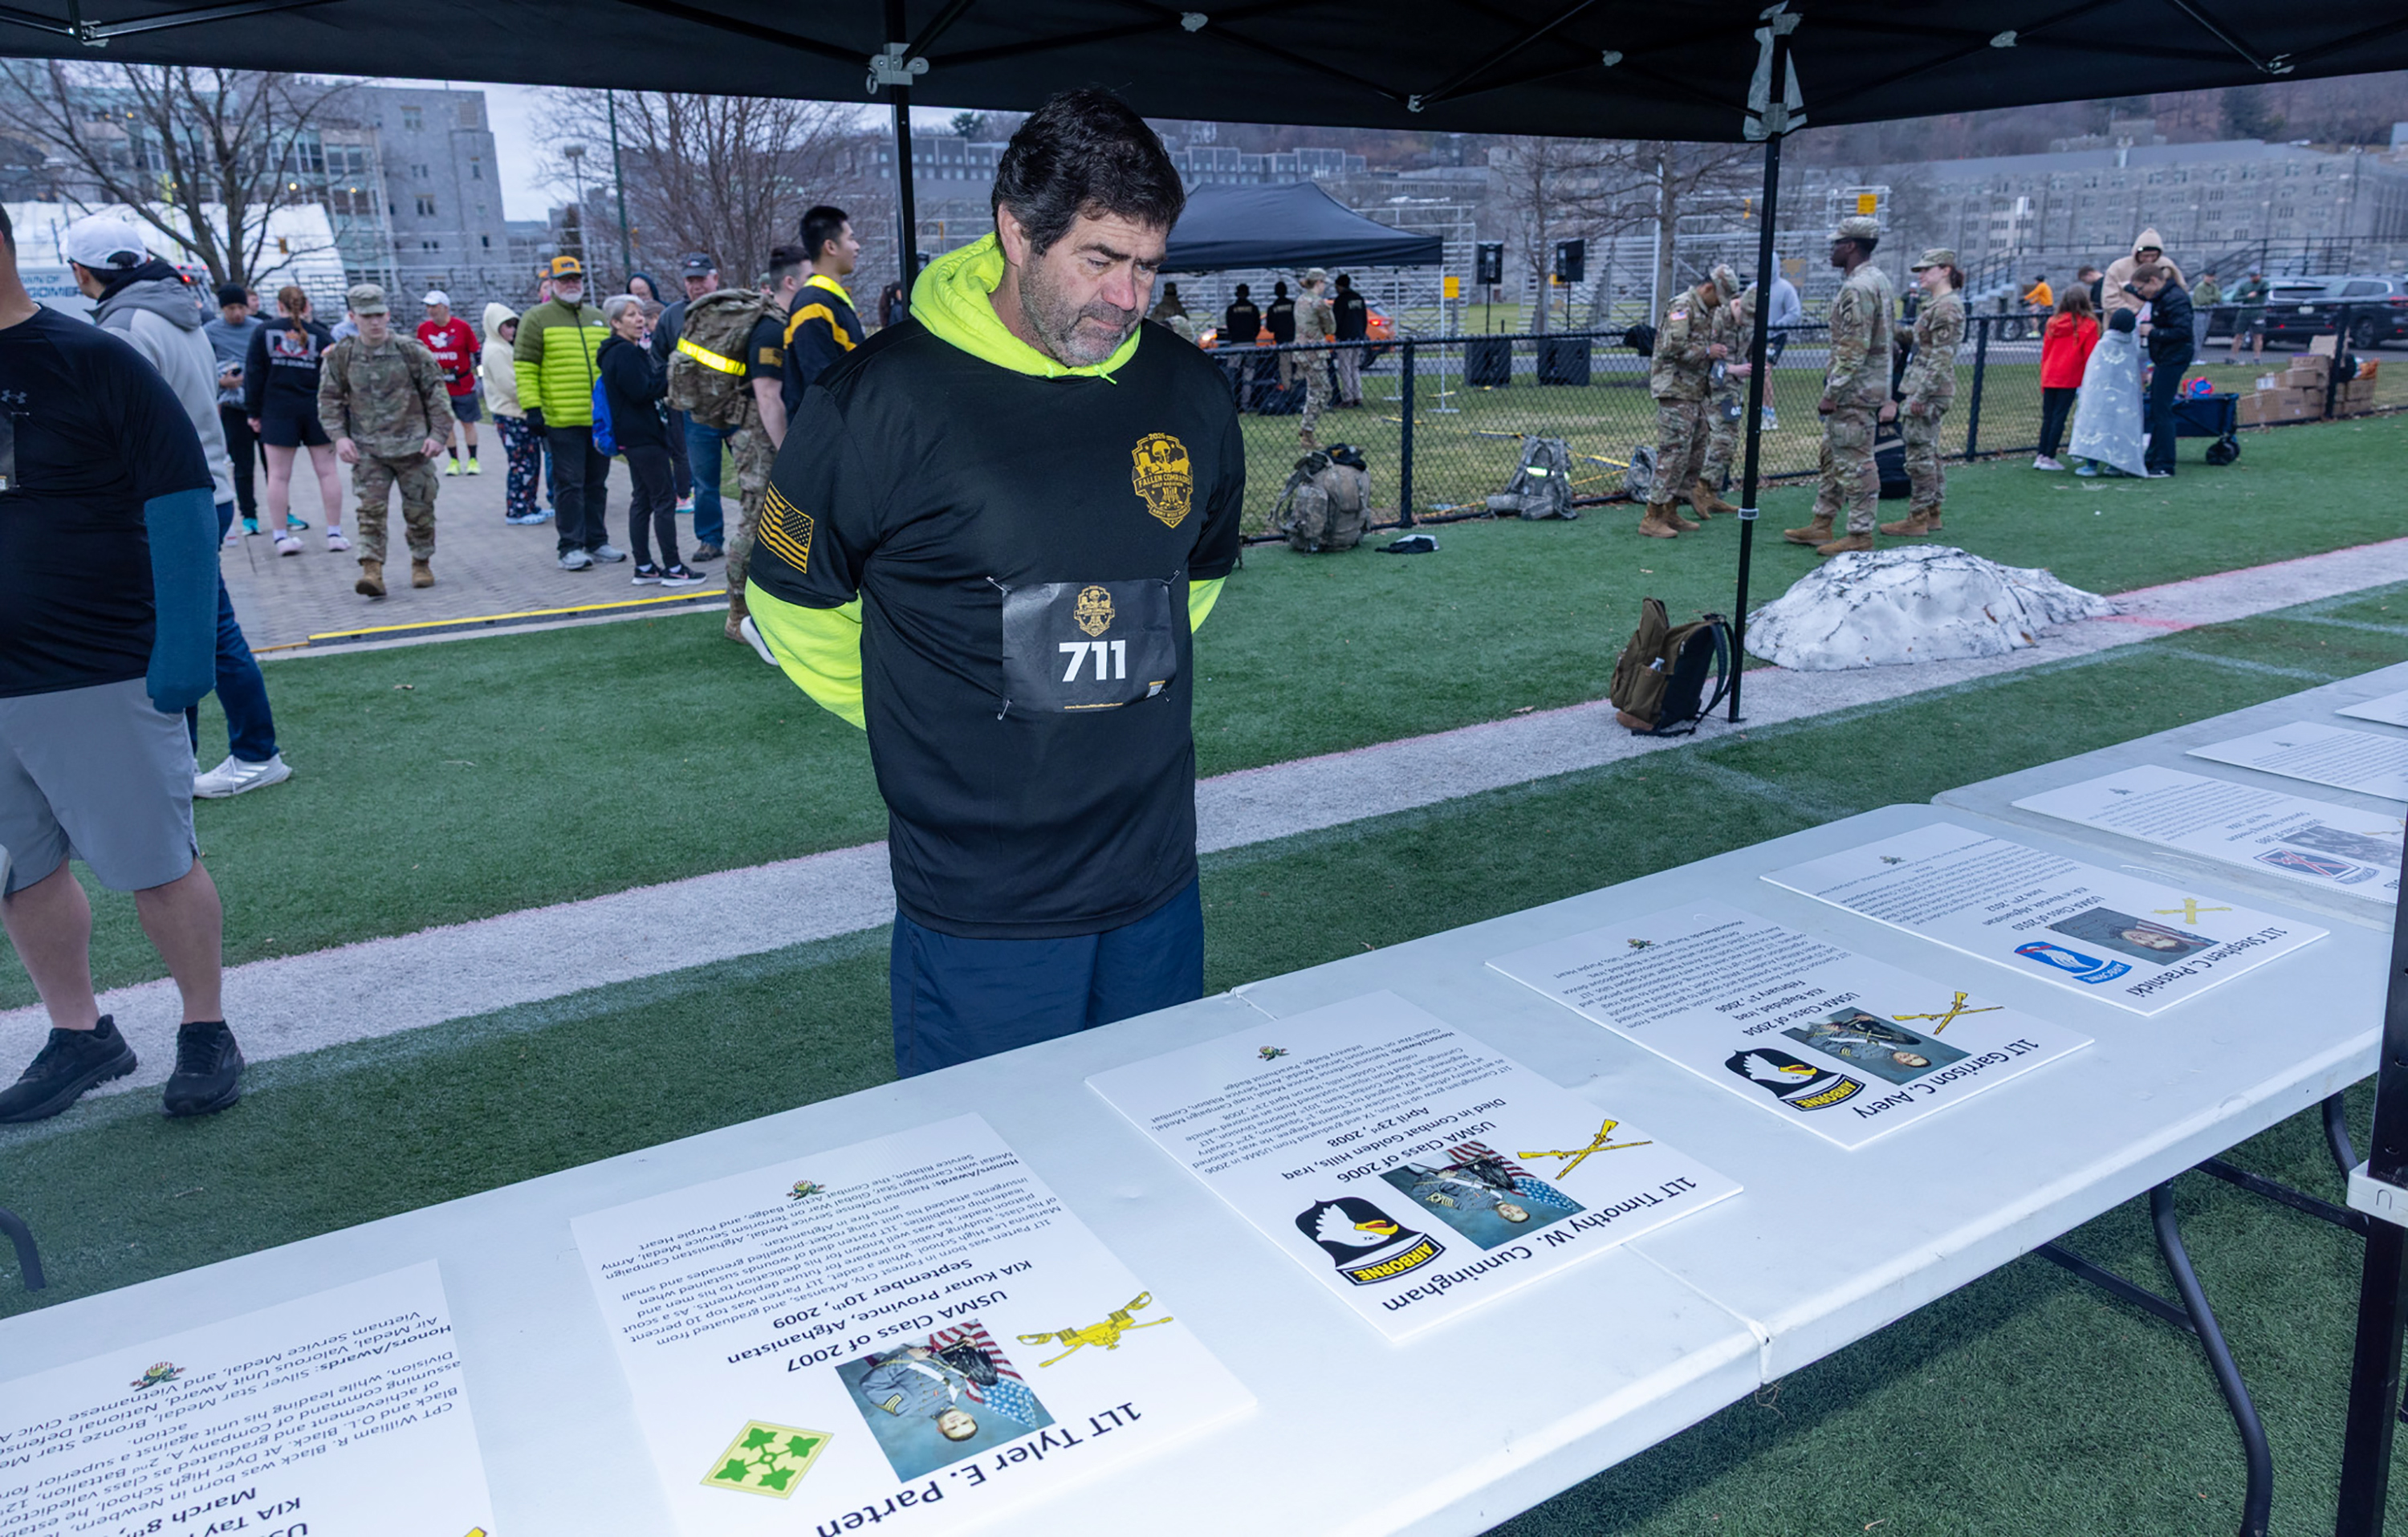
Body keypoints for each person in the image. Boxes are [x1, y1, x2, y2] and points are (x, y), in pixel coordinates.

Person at [745, 87, 1242, 1077]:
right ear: (1017, 232)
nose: (1128, 297)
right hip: (984, 901)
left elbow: (1194, 580)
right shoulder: (879, 399)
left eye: (1148, 265)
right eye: (1099, 259)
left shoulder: (1187, 390)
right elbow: (790, 602)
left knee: (1158, 1142)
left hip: (1155, 876)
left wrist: (1095, 705)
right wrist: (932, 721)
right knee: (998, 1172)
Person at [0, 202, 245, 1123]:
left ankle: (205, 1024)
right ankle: (80, 1032)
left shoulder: (93, 357)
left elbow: (181, 499)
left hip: (96, 663)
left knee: (154, 861)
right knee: (17, 872)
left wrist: (181, 654)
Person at [64, 215, 290, 803]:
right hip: (199, 490)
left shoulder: (125, 327)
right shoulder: (176, 310)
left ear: (82, 272)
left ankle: (253, 751)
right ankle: (202, 757)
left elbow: (116, 430)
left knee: (201, 634)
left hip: (167, 500)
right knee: (190, 631)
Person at [317, 283, 449, 597]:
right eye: (366, 316)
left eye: (379, 315)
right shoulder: (343, 356)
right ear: (353, 317)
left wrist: (438, 434)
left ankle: (421, 562)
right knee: (370, 513)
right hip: (368, 451)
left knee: (420, 511)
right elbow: (329, 400)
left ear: (388, 315)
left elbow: (437, 394)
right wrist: (340, 438)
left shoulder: (410, 351)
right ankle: (371, 570)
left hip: (414, 448)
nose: (374, 322)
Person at [1784, 215, 1893, 557]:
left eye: (1836, 244)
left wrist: (1832, 392)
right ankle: (1822, 523)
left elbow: (1853, 347)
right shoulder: (1878, 280)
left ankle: (1860, 533)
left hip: (1853, 393)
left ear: (1851, 247)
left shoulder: (1857, 288)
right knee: (1832, 457)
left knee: (1856, 462)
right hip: (1863, 388)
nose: (1831, 250)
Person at [721, 242, 811, 647]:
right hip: (761, 444)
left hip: (768, 441)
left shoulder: (784, 321)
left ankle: (770, 608)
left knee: (780, 524)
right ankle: (739, 615)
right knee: (756, 523)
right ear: (790, 282)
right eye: (810, 278)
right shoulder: (772, 327)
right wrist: (788, 452)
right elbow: (768, 395)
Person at [515, 255, 621, 571]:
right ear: (553, 283)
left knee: (596, 483)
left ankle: (597, 541)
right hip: (561, 418)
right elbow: (524, 367)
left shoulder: (598, 317)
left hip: (598, 420)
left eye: (575, 279)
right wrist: (532, 408)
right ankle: (570, 546)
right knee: (569, 485)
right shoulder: (536, 318)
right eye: (564, 280)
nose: (571, 284)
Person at [596, 293, 700, 588]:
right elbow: (640, 390)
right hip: (642, 437)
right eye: (631, 315)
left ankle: (644, 566)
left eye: (640, 314)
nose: (640, 319)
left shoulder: (624, 350)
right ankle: (674, 566)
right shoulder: (624, 352)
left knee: (643, 499)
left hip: (636, 436)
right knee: (663, 499)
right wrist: (670, 375)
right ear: (616, 323)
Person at [242, 287, 343, 555]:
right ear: (307, 306)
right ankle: (334, 534)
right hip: (316, 410)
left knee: (277, 476)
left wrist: (253, 412)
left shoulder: (263, 332)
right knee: (328, 471)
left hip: (277, 410)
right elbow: (336, 376)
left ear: (279, 306)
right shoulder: (322, 335)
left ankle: (280, 537)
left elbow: (253, 373)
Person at [1879, 249, 1966, 539]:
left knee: (1918, 456)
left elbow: (1941, 357)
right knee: (1927, 452)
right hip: (1924, 387)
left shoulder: (1946, 307)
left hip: (1927, 391)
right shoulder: (1939, 305)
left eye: (1927, 269)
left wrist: (1921, 395)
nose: (1921, 275)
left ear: (1945, 270)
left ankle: (1917, 517)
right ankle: (1931, 512)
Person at [1640, 270, 1729, 539]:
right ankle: (1652, 516)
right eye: (1720, 297)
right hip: (1675, 390)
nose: (1721, 304)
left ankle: (1671, 509)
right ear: (1709, 288)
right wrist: (1706, 352)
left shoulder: (1705, 310)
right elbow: (1671, 347)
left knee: (1696, 450)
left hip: (1693, 391)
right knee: (1674, 452)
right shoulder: (1682, 306)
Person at [660, 252, 725, 555]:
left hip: (739, 409)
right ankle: (710, 539)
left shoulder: (736, 309)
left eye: (701, 279)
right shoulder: (672, 316)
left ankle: (762, 540)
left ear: (715, 278)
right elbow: (658, 360)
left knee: (757, 477)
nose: (696, 286)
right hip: (697, 414)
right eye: (690, 280)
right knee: (704, 481)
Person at [783, 205, 864, 418]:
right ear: (830, 246)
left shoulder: (833, 300)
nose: (857, 247)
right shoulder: (813, 305)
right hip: (830, 439)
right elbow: (822, 386)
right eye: (851, 239)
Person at [203, 283, 264, 536]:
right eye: (230, 308)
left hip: (261, 407)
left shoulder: (259, 328)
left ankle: (285, 511)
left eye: (241, 307)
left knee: (275, 464)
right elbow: (203, 368)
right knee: (242, 465)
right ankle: (249, 516)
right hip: (232, 407)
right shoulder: (209, 332)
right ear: (222, 309)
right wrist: (221, 382)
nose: (237, 313)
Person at [481, 303, 543, 524]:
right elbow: (510, 385)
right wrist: (533, 396)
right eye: (507, 325)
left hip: (520, 414)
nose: (512, 330)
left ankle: (529, 503)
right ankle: (517, 509)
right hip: (511, 415)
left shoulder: (505, 347)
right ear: (494, 326)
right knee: (521, 462)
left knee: (532, 461)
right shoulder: (495, 350)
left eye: (514, 325)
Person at [2129, 263, 2193, 479]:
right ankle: (2152, 459)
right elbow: (2145, 298)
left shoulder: (2175, 299)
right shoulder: (2162, 297)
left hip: (2174, 358)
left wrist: (2154, 332)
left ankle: (2165, 463)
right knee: (2158, 407)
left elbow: (2183, 331)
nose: (2140, 293)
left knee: (2162, 410)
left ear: (2154, 282)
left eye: (2141, 288)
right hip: (2165, 357)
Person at [1698, 266, 1752, 511]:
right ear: (1738, 304)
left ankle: (1713, 492)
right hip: (1715, 386)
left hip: (1734, 389)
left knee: (1730, 440)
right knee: (1722, 439)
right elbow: (1702, 355)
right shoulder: (1717, 317)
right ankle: (1702, 488)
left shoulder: (1748, 321)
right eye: (1745, 318)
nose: (1745, 324)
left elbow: (1747, 351)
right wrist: (1733, 369)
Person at [2069, 308, 2146, 478]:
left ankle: (2091, 464)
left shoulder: (2104, 344)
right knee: (2120, 426)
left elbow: (2093, 373)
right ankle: (2115, 463)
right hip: (2123, 399)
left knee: (2096, 424)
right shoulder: (2131, 347)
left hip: (2100, 397)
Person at [415, 291, 482, 477]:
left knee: (467, 422)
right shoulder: (424, 329)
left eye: (434, 306)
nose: (430, 310)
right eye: (428, 307)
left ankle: (473, 459)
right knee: (447, 424)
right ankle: (454, 460)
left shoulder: (462, 327)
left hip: (462, 383)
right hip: (438, 385)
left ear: (445, 307)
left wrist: (482, 377)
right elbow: (419, 355)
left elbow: (476, 353)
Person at [2033, 288, 2099, 471]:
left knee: (2048, 416)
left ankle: (2042, 453)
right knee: (2059, 416)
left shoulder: (2053, 322)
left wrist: (2044, 373)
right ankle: (2050, 455)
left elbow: (2046, 350)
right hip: (2069, 375)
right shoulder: (2088, 324)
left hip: (2051, 373)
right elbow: (2090, 354)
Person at [1293, 266, 1335, 449]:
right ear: (1319, 282)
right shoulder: (1318, 303)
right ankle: (1307, 431)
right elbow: (1331, 328)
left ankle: (1307, 429)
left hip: (1301, 351)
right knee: (1321, 391)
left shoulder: (1300, 301)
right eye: (1324, 282)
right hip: (1315, 352)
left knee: (1316, 390)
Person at [2103, 229, 2183, 321]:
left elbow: (2180, 291)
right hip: (2123, 324)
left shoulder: (2167, 266)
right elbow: (2109, 300)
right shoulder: (2118, 268)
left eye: (2153, 256)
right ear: (2137, 253)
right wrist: (2137, 313)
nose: (2149, 260)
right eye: (2145, 256)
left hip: (2158, 322)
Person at [1761, 268, 1802, 430]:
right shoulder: (1755, 287)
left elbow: (1794, 312)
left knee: (1765, 372)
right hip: (1758, 336)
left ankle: (1770, 415)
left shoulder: (1785, 288)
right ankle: (1763, 412)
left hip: (1775, 337)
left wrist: (1777, 326)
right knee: (1759, 374)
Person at [1330, 274, 1369, 407]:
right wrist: (1361, 333)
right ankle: (1358, 396)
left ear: (1339, 286)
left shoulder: (1341, 300)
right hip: (1358, 337)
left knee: (1344, 368)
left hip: (1345, 338)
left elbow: (1336, 320)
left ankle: (1348, 398)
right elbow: (1364, 318)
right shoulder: (1358, 298)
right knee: (1355, 367)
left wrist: (1335, 332)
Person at [1221, 282, 1261, 406]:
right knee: (1248, 373)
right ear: (1248, 294)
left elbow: (1229, 327)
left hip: (1235, 344)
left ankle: (1231, 402)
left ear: (1237, 294)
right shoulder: (1253, 308)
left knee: (1232, 374)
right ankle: (1246, 402)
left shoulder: (1231, 309)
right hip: (1250, 343)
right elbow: (1257, 327)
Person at [2228, 269, 2268, 364]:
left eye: (2257, 275)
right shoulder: (2245, 285)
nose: (2255, 277)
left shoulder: (2264, 283)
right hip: (2245, 313)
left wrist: (2257, 293)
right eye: (2253, 276)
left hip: (2258, 313)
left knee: (2258, 336)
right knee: (2238, 335)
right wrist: (2247, 297)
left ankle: (2257, 358)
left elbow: (2266, 289)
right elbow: (2235, 298)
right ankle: (2233, 357)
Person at [1265, 278, 1296, 392]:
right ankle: (1300, 389)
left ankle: (1289, 390)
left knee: (1285, 368)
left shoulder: (1272, 308)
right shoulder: (1294, 305)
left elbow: (1270, 328)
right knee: (1300, 365)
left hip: (1282, 342)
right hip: (1296, 341)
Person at [2191, 270, 2223, 354]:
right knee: (2197, 335)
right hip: (2199, 312)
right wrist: (2212, 298)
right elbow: (2202, 300)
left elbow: (2219, 297)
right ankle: (2194, 358)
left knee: (2203, 334)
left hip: (2208, 312)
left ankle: (2197, 357)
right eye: (2208, 276)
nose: (2209, 278)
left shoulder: (2214, 287)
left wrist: (2210, 298)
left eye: (2211, 276)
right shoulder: (2200, 287)